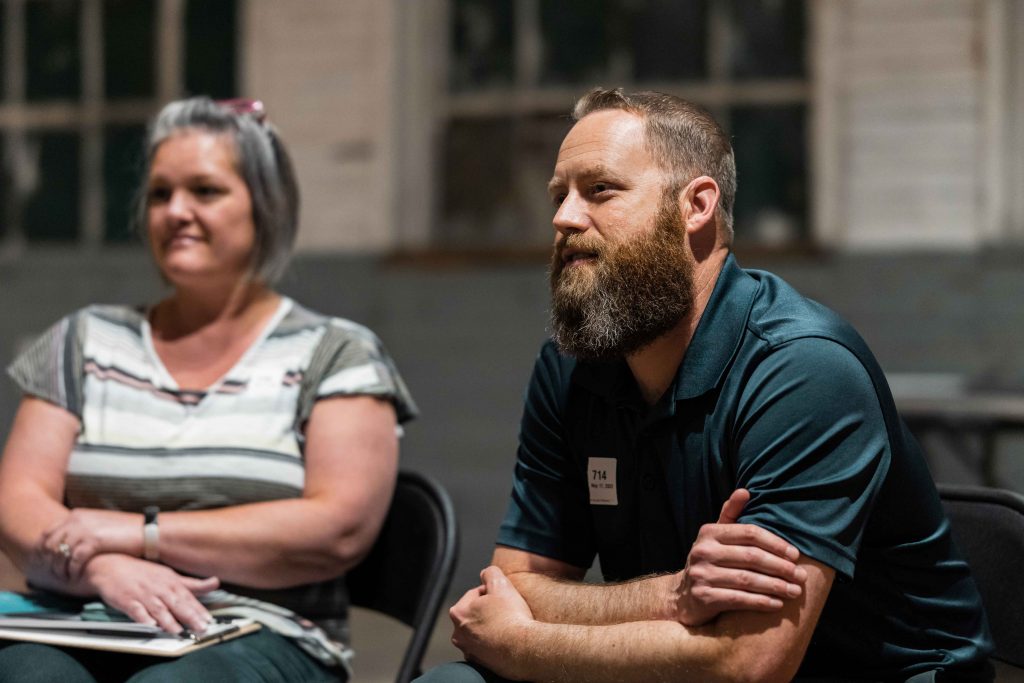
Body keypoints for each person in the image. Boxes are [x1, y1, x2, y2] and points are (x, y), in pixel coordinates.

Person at [417, 89, 993, 683]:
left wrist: (520, 645)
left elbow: (747, 662)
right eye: (558, 195)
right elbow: (510, 587)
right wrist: (670, 595)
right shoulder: (572, 369)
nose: (564, 217)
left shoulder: (804, 370)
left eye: (600, 190)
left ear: (696, 205)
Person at [0, 96, 416, 682]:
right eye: (159, 194)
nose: (176, 211)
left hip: (260, 630)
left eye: (205, 190)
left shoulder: (337, 353)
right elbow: (17, 502)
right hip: (82, 613)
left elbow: (338, 527)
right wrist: (103, 570)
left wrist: (135, 534)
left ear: (264, 207)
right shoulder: (84, 340)